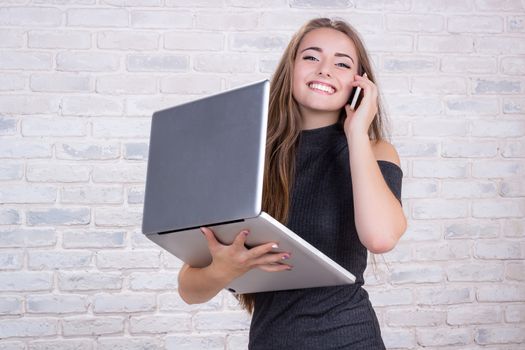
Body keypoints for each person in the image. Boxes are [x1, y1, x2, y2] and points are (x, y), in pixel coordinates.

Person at [178, 17, 407, 349]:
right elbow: (188, 289)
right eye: (311, 57)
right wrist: (223, 269)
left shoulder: (374, 151)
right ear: (291, 69)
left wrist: (356, 133)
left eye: (342, 64)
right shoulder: (251, 161)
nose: (325, 69)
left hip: (350, 338)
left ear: (359, 84)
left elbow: (381, 237)